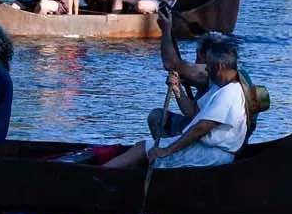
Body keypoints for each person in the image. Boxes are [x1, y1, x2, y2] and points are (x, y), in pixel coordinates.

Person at [103, 37, 249, 170]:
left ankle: (100, 173)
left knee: (143, 149)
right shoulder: (219, 88)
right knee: (142, 148)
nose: (206, 69)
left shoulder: (229, 93)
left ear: (219, 66)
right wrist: (177, 88)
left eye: (208, 65)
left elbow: (200, 129)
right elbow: (192, 111)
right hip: (203, 148)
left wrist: (168, 150)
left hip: (210, 155)